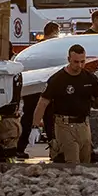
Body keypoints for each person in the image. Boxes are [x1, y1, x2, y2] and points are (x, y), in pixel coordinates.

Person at [30, 44, 98, 164]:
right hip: (64, 125)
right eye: (76, 62)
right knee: (72, 162)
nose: (79, 65)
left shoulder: (89, 78)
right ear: (69, 60)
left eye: (82, 61)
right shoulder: (57, 79)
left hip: (84, 125)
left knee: (86, 161)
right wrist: (35, 126)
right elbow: (42, 103)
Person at [16, 21, 61, 157]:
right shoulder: (52, 50)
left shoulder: (35, 49)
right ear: (54, 33)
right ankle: (55, 151)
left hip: (33, 89)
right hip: (44, 89)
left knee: (29, 118)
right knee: (49, 121)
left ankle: (19, 148)